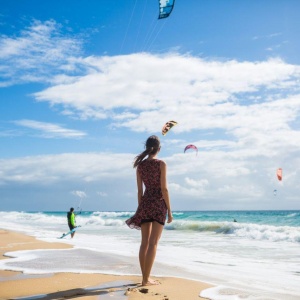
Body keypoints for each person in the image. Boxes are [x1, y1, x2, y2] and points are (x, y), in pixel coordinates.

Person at [125, 135, 173, 286]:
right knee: (153, 243)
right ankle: (146, 279)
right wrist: (170, 211)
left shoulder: (140, 166)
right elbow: (164, 189)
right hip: (159, 204)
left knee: (144, 243)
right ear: (159, 148)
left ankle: (144, 278)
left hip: (145, 204)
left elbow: (139, 191)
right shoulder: (161, 164)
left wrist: (141, 208)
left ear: (146, 147)